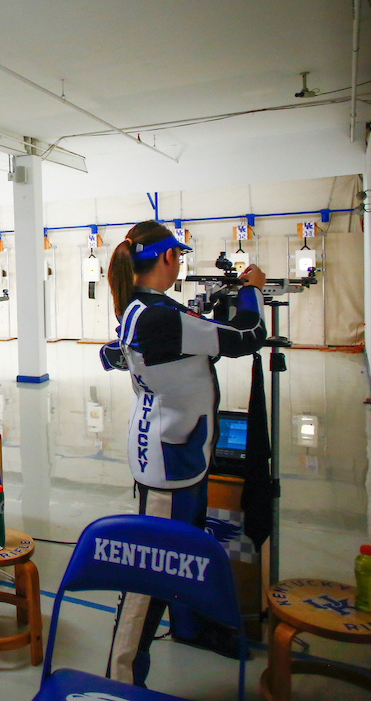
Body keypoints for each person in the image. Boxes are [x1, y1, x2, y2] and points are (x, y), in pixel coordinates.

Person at [99, 221, 266, 687]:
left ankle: (190, 627)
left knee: (184, 551)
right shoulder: (159, 317)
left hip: (177, 450)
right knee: (150, 576)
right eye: (179, 257)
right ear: (168, 257)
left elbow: (174, 341)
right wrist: (252, 291)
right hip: (168, 463)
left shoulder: (143, 307)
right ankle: (121, 679)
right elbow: (249, 335)